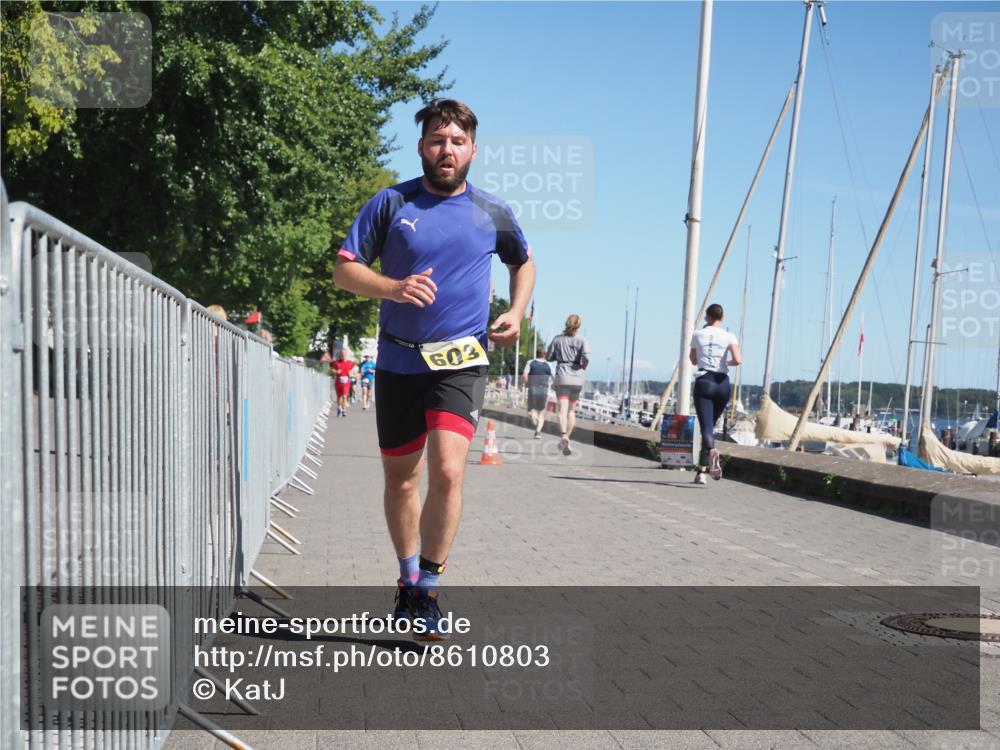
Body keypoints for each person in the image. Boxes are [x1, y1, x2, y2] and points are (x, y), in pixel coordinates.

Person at [333, 98, 535, 640]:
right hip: (399, 357)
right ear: (423, 146)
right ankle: (404, 580)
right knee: (402, 481)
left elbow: (523, 262)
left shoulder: (493, 211)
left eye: (457, 141)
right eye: (437, 140)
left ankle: (427, 589)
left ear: (472, 148)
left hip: (461, 360)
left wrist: (515, 312)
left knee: (448, 471)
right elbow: (345, 272)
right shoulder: (390, 202)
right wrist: (393, 288)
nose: (447, 150)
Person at [689, 303, 742, 484]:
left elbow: (693, 359)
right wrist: (725, 362)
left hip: (705, 382)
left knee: (706, 429)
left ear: (707, 317)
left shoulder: (698, 334)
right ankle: (702, 472)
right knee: (710, 427)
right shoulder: (729, 336)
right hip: (723, 384)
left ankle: (712, 451)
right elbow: (738, 360)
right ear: (722, 318)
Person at [546, 315, 590, 456]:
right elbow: (586, 357)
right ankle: (567, 438)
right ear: (578, 326)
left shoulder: (557, 339)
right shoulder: (582, 340)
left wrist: (559, 356)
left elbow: (548, 357)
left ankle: (563, 435)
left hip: (562, 377)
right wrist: (582, 365)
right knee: (571, 411)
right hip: (577, 379)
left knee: (561, 411)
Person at [522, 346, 553, 439]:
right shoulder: (549, 365)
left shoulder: (530, 363)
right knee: (541, 413)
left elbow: (524, 375)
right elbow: (555, 377)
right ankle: (538, 432)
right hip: (544, 390)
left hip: (533, 388)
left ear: (536, 354)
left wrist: (527, 383)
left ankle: (533, 417)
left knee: (531, 410)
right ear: (545, 355)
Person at [332, 350, 355, 418]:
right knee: (339, 397)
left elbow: (351, 371)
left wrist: (351, 373)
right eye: (342, 354)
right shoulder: (336, 362)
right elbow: (332, 370)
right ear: (340, 355)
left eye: (344, 354)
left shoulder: (350, 363)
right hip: (339, 381)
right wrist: (336, 371)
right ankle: (339, 408)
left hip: (346, 381)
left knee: (345, 396)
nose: (343, 355)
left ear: (347, 354)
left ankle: (344, 410)